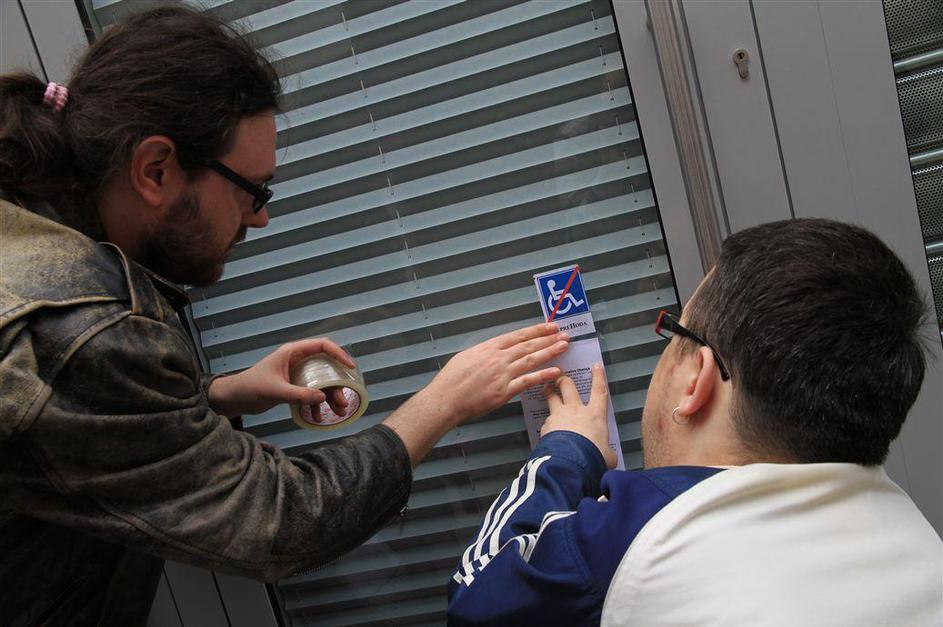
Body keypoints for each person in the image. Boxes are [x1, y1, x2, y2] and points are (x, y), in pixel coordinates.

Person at [0, 7, 571, 626]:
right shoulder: (76, 330)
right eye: (252, 190)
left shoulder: (30, 230)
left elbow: (66, 425)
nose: (260, 217)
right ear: (155, 170)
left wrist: (216, 394)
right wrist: (446, 401)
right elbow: (279, 521)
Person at [447, 218, 942, 626]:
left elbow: (477, 593)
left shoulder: (644, 535)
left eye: (674, 330)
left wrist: (566, 449)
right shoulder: (919, 545)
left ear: (696, 381)